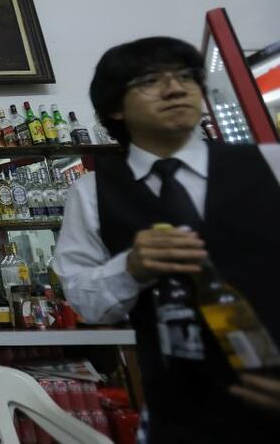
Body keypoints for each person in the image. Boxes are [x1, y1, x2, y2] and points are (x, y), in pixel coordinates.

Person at [54, 36, 280, 442]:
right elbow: (87, 304)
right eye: (150, 81)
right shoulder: (91, 192)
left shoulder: (270, 163)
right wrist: (130, 268)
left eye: (186, 77)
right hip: (177, 415)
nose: (176, 88)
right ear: (115, 108)